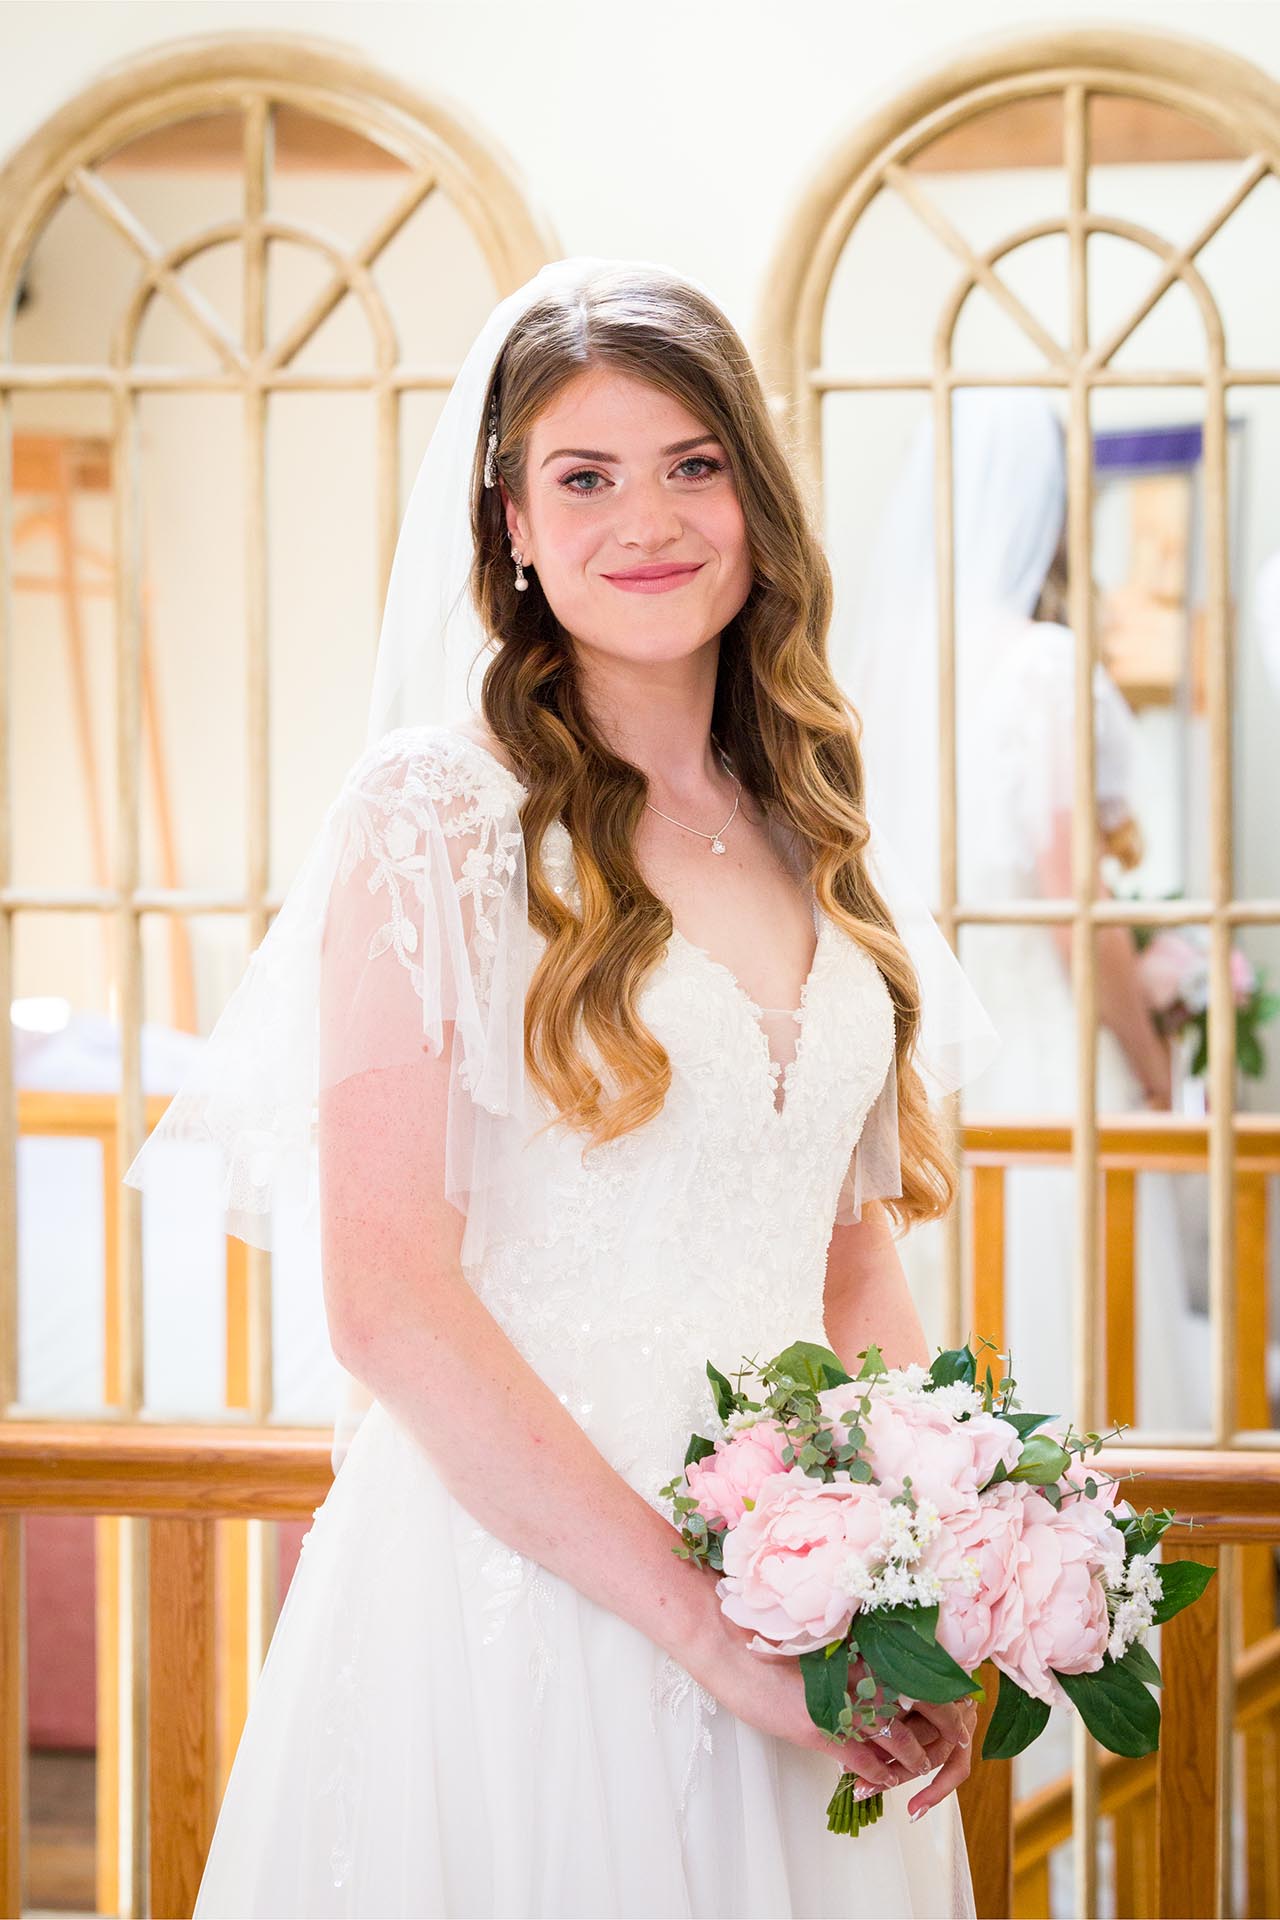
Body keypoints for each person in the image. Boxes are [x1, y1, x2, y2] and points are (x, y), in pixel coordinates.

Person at [124, 257, 1000, 1918]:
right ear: (512, 525)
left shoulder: (806, 811)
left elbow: (849, 1256)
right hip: (522, 1593)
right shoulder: (435, 815)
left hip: (805, 1583)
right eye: (583, 478)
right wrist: (703, 1631)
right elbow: (387, 1297)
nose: (647, 520)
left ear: (754, 494)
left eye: (692, 465)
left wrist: (925, 1563)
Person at [836, 387, 1200, 1436]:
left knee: (950, 1305)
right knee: (1072, 1314)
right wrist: (1146, 1053)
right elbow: (1069, 898)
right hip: (1038, 1039)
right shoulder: (1037, 660)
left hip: (922, 1054)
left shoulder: (872, 669)